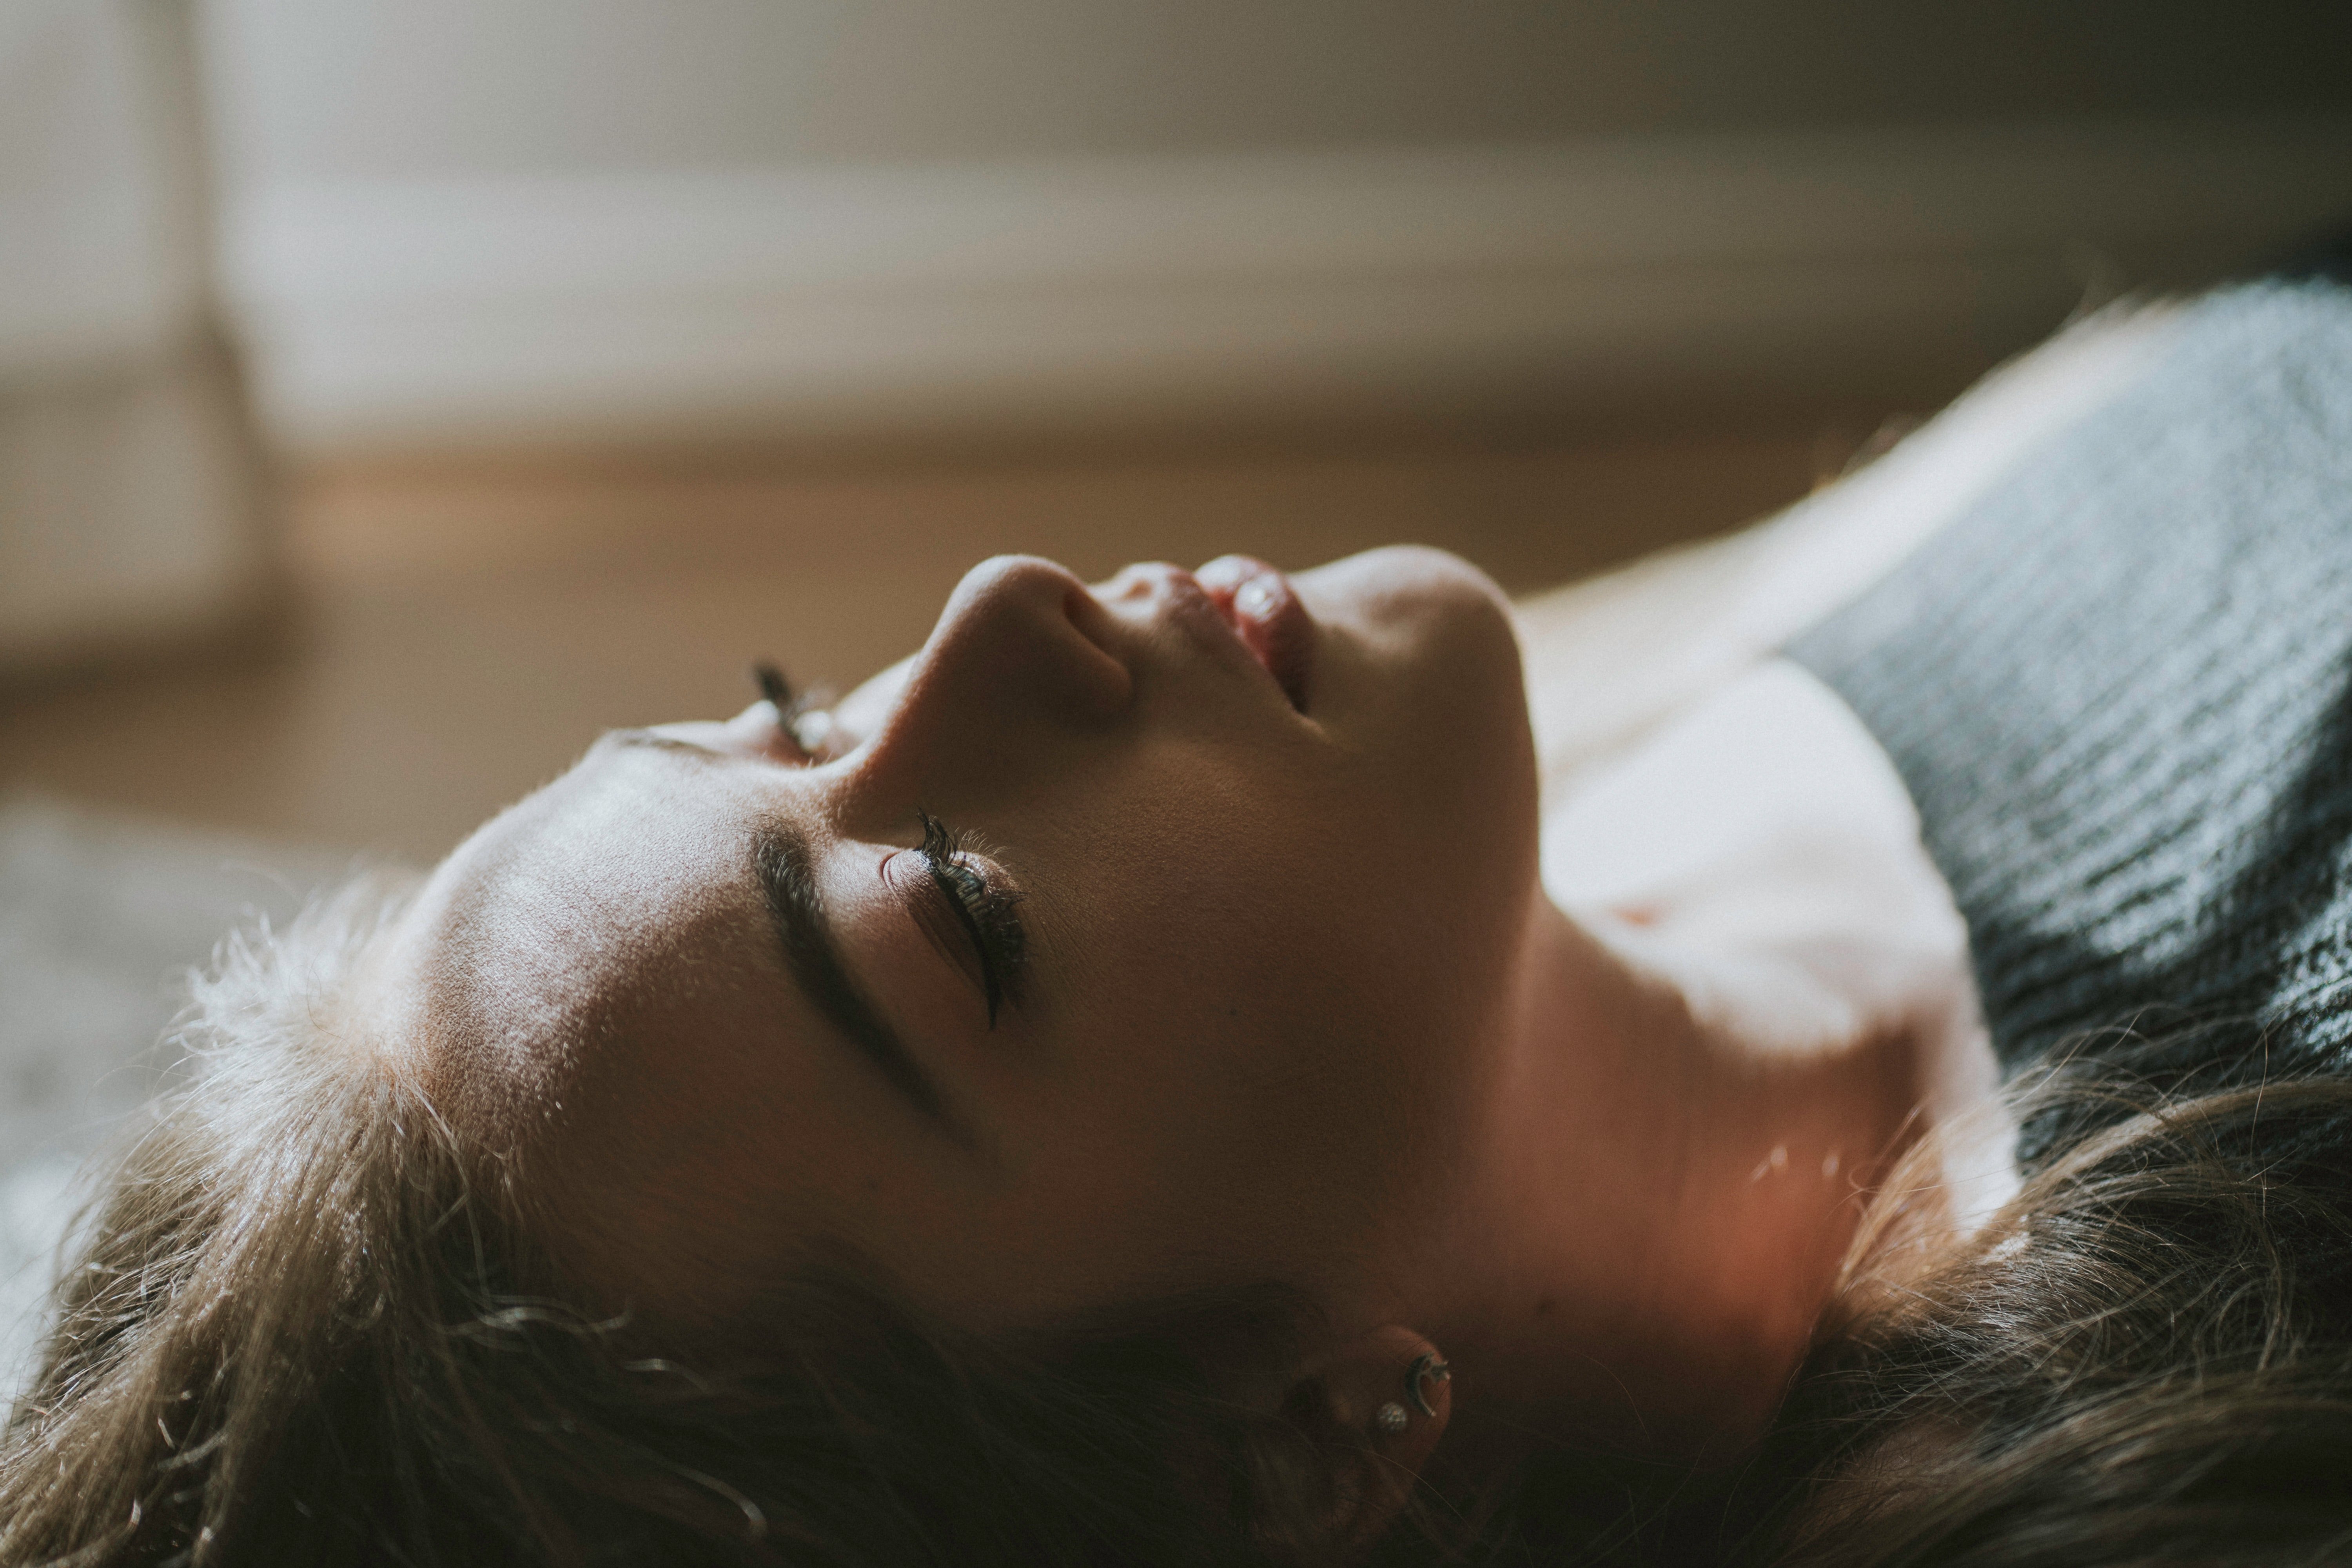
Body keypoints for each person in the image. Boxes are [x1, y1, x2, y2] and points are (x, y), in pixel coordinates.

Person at [5, 276, 2350, 1567]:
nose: (996, 613)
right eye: (963, 915)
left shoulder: (1494, 823)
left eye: (792, 712)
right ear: (1285, 1443)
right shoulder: (2265, 1127)